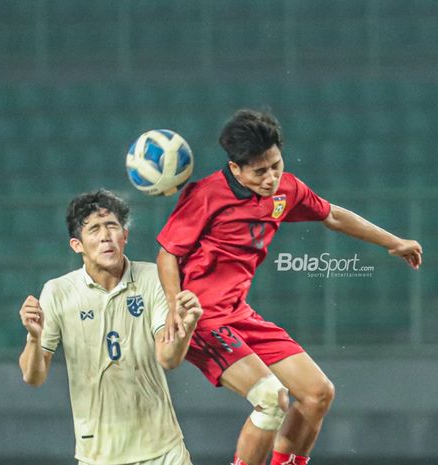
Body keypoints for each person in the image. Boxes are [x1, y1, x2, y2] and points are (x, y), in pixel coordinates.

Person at [156, 109, 423, 465]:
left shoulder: (286, 189)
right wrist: (176, 305)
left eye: (275, 165)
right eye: (259, 171)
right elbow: (167, 255)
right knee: (271, 397)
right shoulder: (206, 195)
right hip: (202, 320)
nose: (270, 178)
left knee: (318, 395)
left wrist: (393, 241)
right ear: (236, 169)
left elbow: (333, 215)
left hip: (238, 313)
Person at [18, 189, 201, 465]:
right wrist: (34, 338)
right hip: (99, 456)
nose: (106, 236)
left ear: (124, 236)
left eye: (112, 226)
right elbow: (34, 377)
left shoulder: (152, 277)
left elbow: (169, 358)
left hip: (164, 451)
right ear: (76, 245)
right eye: (94, 229)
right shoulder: (58, 292)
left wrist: (185, 327)